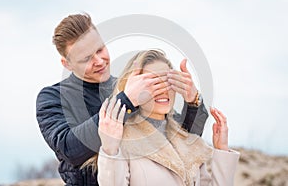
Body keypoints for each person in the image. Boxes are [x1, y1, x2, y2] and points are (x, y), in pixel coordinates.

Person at [36, 13, 209, 185]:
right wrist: (126, 101)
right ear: (67, 64)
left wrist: (192, 102)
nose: (99, 61)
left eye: (100, 49)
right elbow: (69, 149)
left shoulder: (128, 86)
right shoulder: (51, 98)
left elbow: (178, 137)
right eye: (87, 58)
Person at [95, 49, 240, 186]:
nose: (163, 89)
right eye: (153, 82)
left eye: (168, 80)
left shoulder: (187, 139)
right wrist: (110, 149)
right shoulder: (123, 140)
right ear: (133, 88)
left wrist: (222, 150)